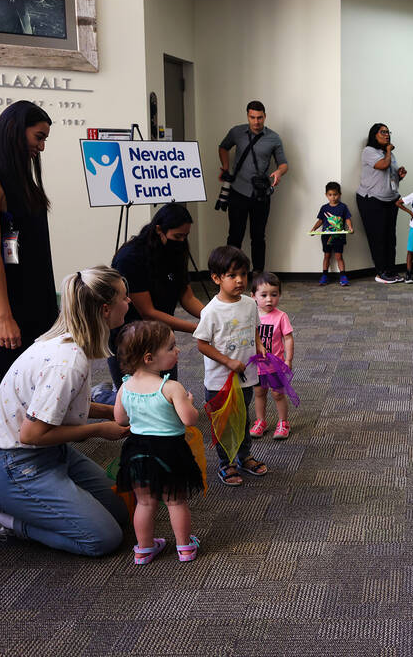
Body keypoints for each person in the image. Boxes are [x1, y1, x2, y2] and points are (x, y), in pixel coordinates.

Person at [0, 267, 133, 556]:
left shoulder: (68, 345)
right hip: (15, 465)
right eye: (124, 298)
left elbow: (62, 408)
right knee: (103, 539)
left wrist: (114, 412)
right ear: (104, 309)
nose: (129, 303)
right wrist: (100, 430)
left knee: (123, 510)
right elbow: (32, 434)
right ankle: (3, 520)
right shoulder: (67, 362)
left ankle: (36, 504)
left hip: (52, 452)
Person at [0, 100, 58, 397]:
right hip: (11, 300)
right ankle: (4, 444)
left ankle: (42, 441)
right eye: (39, 137)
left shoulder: (18, 173)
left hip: (36, 291)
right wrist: (4, 317)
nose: (42, 147)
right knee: (13, 380)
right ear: (15, 130)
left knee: (40, 374)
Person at [113, 321, 203, 564]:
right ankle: (184, 547)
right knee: (175, 500)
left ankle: (144, 548)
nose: (178, 350)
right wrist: (189, 402)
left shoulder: (125, 385)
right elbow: (190, 419)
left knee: (144, 502)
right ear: (150, 357)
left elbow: (120, 419)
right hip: (169, 452)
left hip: (137, 452)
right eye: (171, 347)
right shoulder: (171, 387)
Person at [194, 246, 268, 487]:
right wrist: (227, 362)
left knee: (242, 418)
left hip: (246, 376)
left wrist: (259, 346)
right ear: (216, 278)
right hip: (219, 381)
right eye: (232, 275)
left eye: (244, 274)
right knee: (223, 423)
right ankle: (226, 463)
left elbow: (254, 329)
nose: (240, 280)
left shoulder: (249, 303)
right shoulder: (211, 311)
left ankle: (244, 456)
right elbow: (202, 345)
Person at [108, 203, 205, 387]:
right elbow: (148, 312)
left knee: (165, 397)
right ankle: (104, 394)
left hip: (161, 336)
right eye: (177, 236)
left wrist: (212, 315)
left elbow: (187, 297)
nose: (182, 241)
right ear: (159, 229)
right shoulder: (131, 257)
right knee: (132, 402)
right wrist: (197, 328)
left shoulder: (177, 251)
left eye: (185, 236)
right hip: (130, 338)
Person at [217, 100, 289, 272]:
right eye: (253, 117)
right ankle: (232, 272)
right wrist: (225, 166)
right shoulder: (236, 132)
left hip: (260, 194)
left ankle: (258, 274)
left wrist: (279, 173)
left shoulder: (273, 138)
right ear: (247, 116)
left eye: (260, 118)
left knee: (258, 236)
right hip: (238, 191)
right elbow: (223, 147)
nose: (256, 122)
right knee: (235, 235)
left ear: (265, 116)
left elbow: (284, 163)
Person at [357, 123, 407, 284]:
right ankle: (381, 272)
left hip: (391, 199)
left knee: (390, 238)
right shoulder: (368, 151)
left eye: (388, 132)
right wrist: (388, 151)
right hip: (371, 200)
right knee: (378, 238)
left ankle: (391, 271)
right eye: (383, 132)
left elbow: (388, 174)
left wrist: (399, 175)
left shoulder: (389, 153)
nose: (386, 135)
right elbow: (382, 165)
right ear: (374, 135)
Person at [250, 272, 295, 440]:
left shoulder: (281, 316)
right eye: (264, 295)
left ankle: (283, 422)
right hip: (256, 365)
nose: (269, 299)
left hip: (275, 365)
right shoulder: (251, 316)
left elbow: (288, 338)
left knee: (278, 394)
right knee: (259, 393)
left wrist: (288, 359)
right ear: (253, 296)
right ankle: (261, 421)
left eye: (274, 295)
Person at [310, 181, 353, 286]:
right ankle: (324, 275)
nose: (333, 197)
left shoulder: (343, 207)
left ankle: (343, 276)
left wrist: (350, 227)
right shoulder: (324, 208)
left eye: (335, 194)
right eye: (330, 195)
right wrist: (313, 229)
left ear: (339, 194)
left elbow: (347, 218)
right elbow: (320, 220)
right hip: (326, 237)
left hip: (339, 237)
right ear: (326, 195)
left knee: (339, 256)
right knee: (327, 256)